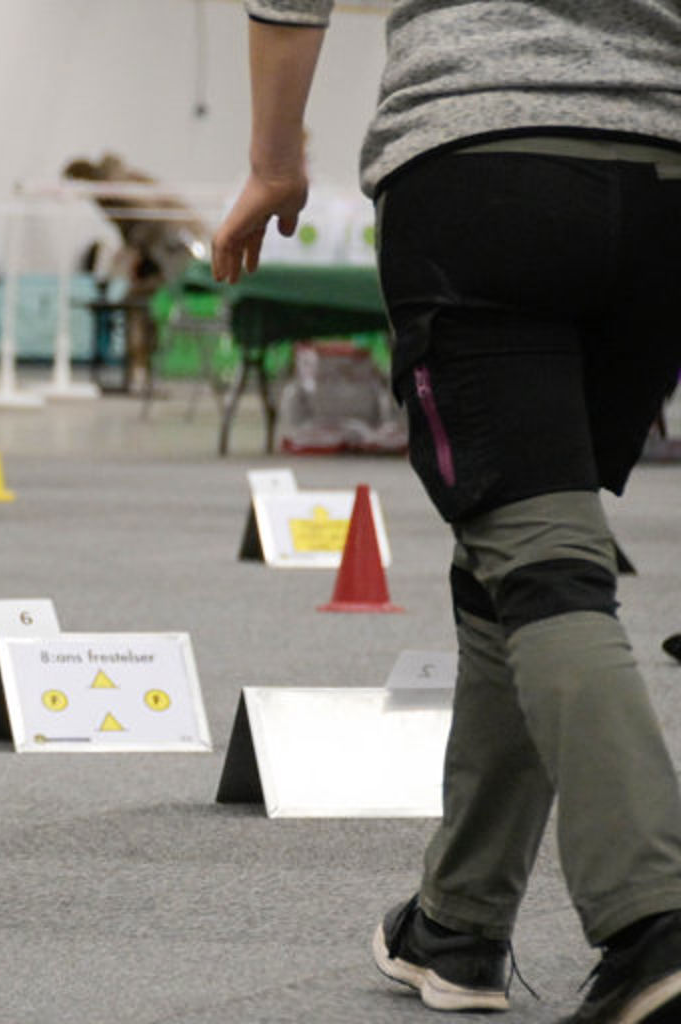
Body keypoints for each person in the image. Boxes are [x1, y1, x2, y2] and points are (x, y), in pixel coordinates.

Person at [213, 2, 681, 1021]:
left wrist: (275, 160)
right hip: (661, 186)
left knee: (545, 556)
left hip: (481, 169)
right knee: (516, 550)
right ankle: (459, 923)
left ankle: (655, 921)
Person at [63, 152, 204, 393]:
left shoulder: (111, 190)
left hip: (173, 250)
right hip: (168, 249)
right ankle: (141, 372)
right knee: (139, 303)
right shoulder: (123, 180)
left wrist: (137, 253)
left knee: (136, 303)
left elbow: (149, 218)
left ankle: (139, 372)